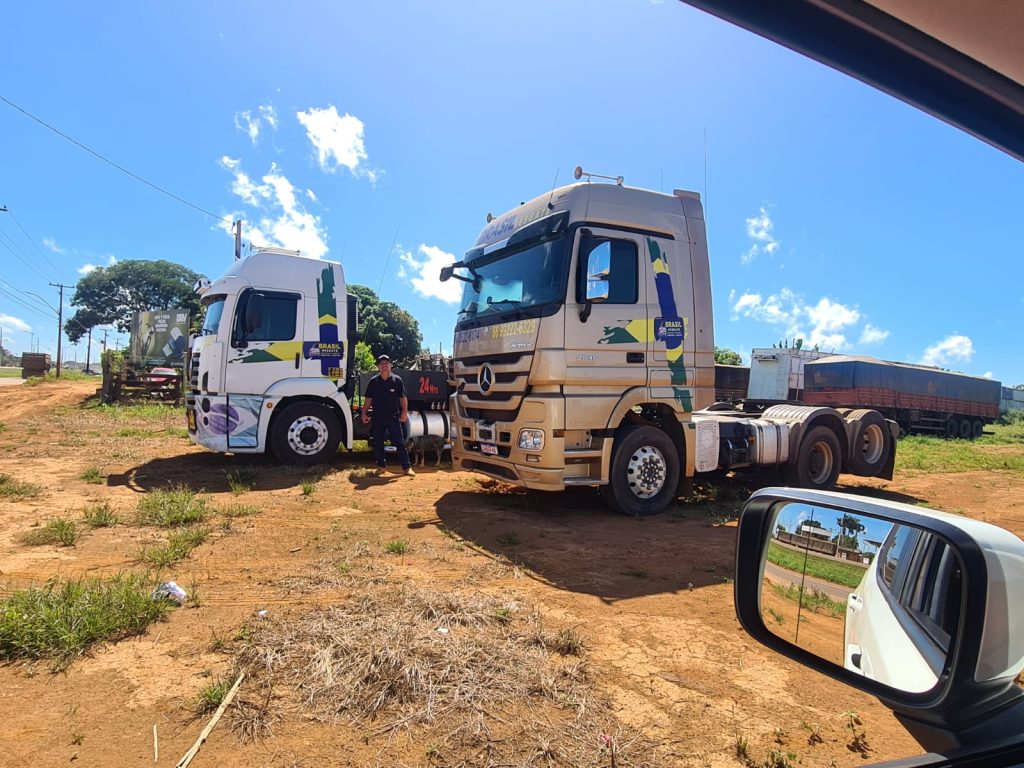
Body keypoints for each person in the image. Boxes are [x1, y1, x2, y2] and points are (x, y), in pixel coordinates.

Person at [361, 354, 415, 476]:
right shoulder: (373, 382)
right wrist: (364, 413)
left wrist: (405, 412)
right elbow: (368, 399)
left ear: (391, 365)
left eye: (386, 363)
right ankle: (381, 467)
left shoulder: (397, 380)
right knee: (378, 442)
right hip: (378, 418)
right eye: (381, 364)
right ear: (378, 367)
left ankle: (407, 468)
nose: (384, 366)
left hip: (394, 417)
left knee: (400, 443)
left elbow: (402, 398)